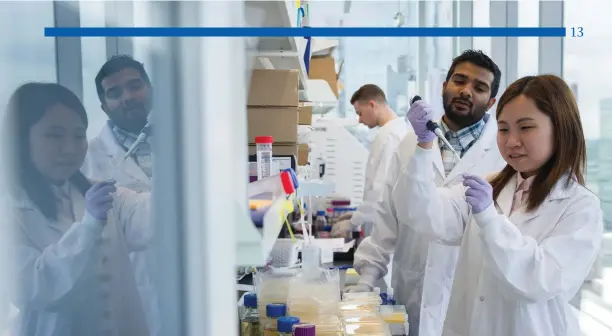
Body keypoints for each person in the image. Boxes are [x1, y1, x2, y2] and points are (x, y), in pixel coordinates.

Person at [398, 74, 602, 335]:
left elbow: (538, 280)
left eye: (526, 127)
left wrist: (489, 218)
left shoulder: (581, 206)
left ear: (561, 128)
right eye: (503, 129)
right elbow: (420, 213)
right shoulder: (491, 186)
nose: (511, 141)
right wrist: (424, 145)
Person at [347, 50, 505, 336]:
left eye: (479, 87)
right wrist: (366, 279)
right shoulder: (410, 144)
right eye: (459, 80)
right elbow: (387, 215)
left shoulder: (501, 155)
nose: (466, 91)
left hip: (468, 304)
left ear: (491, 102)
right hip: (412, 295)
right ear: (444, 86)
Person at [1, 82, 153, 335]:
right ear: (21, 138)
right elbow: (36, 288)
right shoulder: (9, 211)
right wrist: (89, 225)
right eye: (54, 135)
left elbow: (149, 216)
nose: (70, 148)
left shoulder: (98, 194)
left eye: (78, 135)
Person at [81, 55, 160, 335]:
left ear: (150, 88)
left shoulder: (186, 141)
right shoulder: (87, 160)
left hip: (193, 284)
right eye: (114, 93)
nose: (127, 97)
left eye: (134, 85)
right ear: (103, 106)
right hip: (128, 294)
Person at [331, 84, 409, 237]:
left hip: (385, 230)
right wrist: (357, 215)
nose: (360, 120)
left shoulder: (389, 135)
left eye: (360, 113)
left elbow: (379, 190)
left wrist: (353, 222)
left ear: (372, 105)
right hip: (388, 224)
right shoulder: (397, 130)